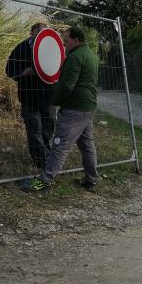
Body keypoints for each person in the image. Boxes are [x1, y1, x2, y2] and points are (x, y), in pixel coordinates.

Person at [35, 26, 99, 192]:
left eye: (66, 41)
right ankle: (91, 180)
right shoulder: (91, 55)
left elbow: (67, 85)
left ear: (76, 40)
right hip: (88, 107)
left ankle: (45, 180)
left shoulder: (75, 57)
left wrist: (55, 100)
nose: (64, 45)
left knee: (60, 144)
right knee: (87, 145)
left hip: (74, 108)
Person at [5, 22, 56, 183]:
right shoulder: (21, 48)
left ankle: (46, 155)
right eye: (38, 34)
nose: (41, 37)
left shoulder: (51, 49)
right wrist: (22, 73)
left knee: (48, 128)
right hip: (29, 98)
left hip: (48, 97)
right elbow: (9, 70)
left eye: (43, 34)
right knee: (34, 130)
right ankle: (42, 163)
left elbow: (58, 68)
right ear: (31, 33)